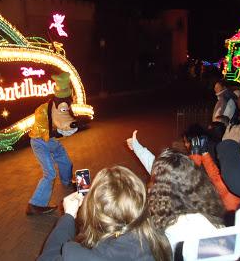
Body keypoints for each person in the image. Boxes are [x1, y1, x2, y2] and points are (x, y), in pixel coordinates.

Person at [38, 166, 171, 261]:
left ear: (94, 213)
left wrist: (69, 216)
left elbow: (48, 256)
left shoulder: (77, 255)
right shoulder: (159, 241)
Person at [126, 134, 225, 253]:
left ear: (163, 189)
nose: (150, 188)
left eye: (155, 183)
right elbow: (163, 171)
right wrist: (137, 148)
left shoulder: (181, 228)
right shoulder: (196, 197)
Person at [26, 72, 78, 216]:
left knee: (66, 162)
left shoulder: (65, 106)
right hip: (40, 142)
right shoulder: (42, 110)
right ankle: (35, 205)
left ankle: (67, 182)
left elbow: (66, 119)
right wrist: (60, 132)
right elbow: (43, 131)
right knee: (49, 173)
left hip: (53, 141)